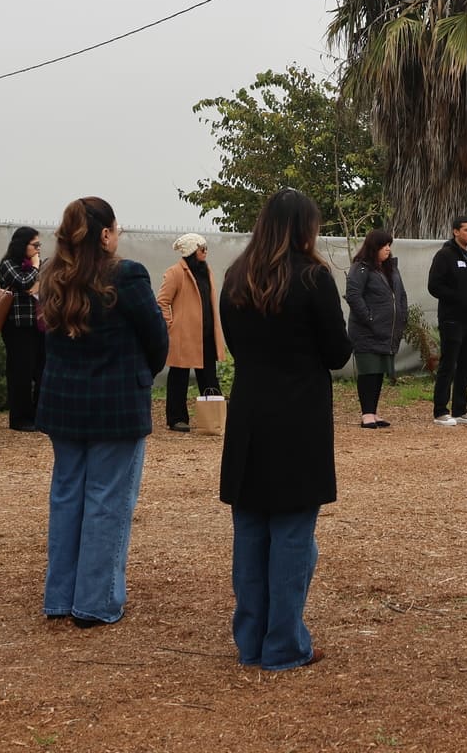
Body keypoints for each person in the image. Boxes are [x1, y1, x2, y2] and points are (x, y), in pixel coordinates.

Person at [218, 189, 352, 671]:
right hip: (298, 417)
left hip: (250, 415)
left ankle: (251, 642)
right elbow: (338, 354)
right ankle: (284, 646)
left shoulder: (235, 276)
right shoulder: (314, 277)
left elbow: (234, 345)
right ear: (304, 228)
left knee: (250, 531)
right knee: (293, 535)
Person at [36, 197, 169, 626]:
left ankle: (60, 597)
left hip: (64, 402)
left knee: (68, 497)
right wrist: (139, 376)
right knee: (106, 501)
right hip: (116, 405)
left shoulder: (52, 275)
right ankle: (95, 601)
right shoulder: (126, 274)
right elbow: (156, 339)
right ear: (106, 234)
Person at [157, 234, 226, 433]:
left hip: (206, 336)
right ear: (191, 251)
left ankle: (214, 418)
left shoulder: (206, 271)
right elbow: (162, 301)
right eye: (202, 248)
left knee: (209, 378)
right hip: (184, 336)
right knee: (179, 376)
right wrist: (170, 325)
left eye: (205, 248)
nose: (205, 252)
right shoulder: (176, 273)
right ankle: (177, 419)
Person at [344, 229, 407, 429]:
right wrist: (369, 318)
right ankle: (367, 414)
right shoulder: (360, 268)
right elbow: (353, 295)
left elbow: (401, 295)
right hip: (366, 331)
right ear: (374, 247)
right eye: (384, 245)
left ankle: (374, 411)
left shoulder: (391, 268)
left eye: (389, 245)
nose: (388, 249)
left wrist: (402, 317)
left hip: (387, 332)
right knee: (368, 371)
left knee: (378, 371)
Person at [426, 217, 467, 427]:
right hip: (452, 319)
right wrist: (457, 297)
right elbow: (434, 286)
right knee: (449, 364)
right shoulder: (445, 255)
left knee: (466, 365)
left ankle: (460, 410)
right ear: (455, 232)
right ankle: (441, 410)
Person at [0, 227, 44, 432]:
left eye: (38, 246)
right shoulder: (8, 264)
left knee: (40, 369)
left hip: (37, 324)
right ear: (22, 245)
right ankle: (20, 418)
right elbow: (24, 283)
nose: (37, 250)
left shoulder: (36, 265)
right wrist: (35, 268)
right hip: (16, 326)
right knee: (20, 372)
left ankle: (37, 414)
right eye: (34, 245)